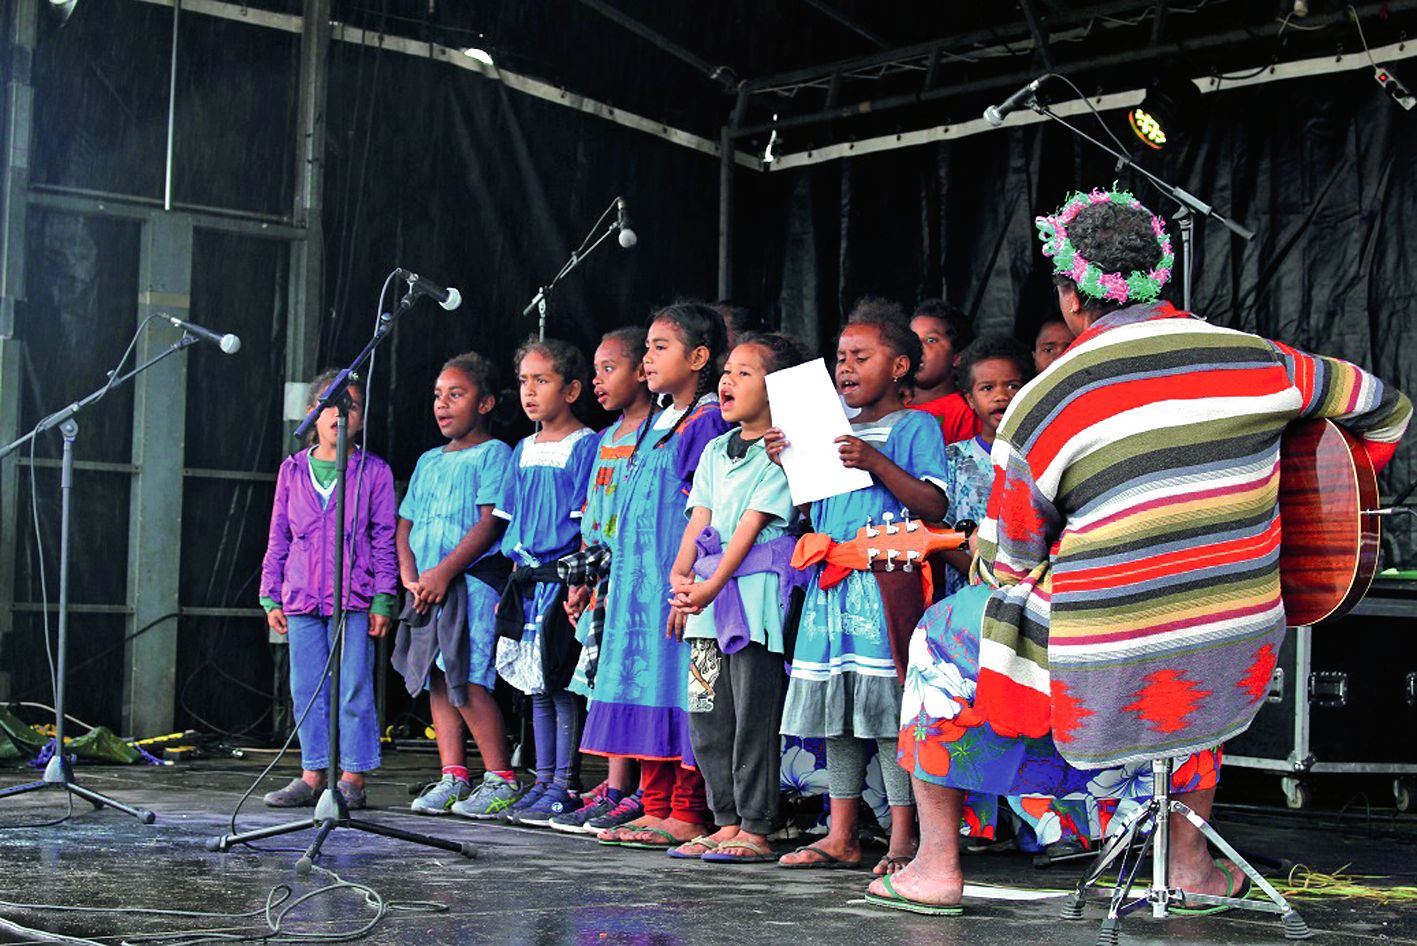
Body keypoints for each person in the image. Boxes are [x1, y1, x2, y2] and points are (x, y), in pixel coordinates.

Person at [872, 187, 1412, 915]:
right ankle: (1188, 867)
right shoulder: (1260, 360)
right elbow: (1383, 404)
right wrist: (1312, 506)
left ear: (1071, 296)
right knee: (1186, 638)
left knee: (940, 636)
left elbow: (1007, 562)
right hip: (1236, 634)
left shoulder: (1046, 399)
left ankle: (934, 865)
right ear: (1157, 276)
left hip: (1106, 643)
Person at [768, 300, 948, 874]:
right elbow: (814, 508)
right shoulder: (830, 431)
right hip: (832, 584)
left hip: (887, 583)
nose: (845, 367)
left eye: (861, 357)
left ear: (899, 366)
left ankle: (902, 842)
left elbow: (935, 504)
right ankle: (841, 832)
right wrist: (787, 464)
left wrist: (875, 461)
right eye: (841, 358)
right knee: (839, 711)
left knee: (890, 711)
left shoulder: (916, 426)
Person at [582, 302, 730, 850]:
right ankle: (657, 803)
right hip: (638, 586)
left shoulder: (708, 420)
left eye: (660, 347)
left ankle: (689, 809)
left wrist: (685, 579)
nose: (647, 358)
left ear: (698, 357)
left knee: (687, 684)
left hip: (682, 583)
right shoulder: (657, 419)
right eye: (645, 348)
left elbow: (706, 511)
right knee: (644, 680)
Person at [665, 332, 808, 863]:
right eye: (727, 371)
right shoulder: (712, 451)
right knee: (707, 713)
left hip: (751, 600)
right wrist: (680, 582)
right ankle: (724, 818)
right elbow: (698, 519)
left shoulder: (780, 452)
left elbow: (749, 527)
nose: (727, 380)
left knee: (752, 713)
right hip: (705, 602)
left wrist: (707, 586)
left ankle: (756, 823)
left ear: (776, 389)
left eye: (744, 373)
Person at [259, 369, 396, 810]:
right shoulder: (292, 470)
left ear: (360, 416)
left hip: (353, 599)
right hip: (301, 597)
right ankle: (313, 772)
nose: (341, 414)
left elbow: (383, 538)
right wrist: (270, 593)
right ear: (313, 413)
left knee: (352, 685)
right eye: (332, 405)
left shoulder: (373, 471)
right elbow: (279, 533)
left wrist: (383, 597)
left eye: (351, 405)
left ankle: (352, 776)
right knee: (307, 687)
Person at [392, 352, 519, 818]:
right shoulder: (428, 461)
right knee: (437, 678)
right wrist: (411, 577)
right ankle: (453, 775)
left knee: (467, 675)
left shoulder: (495, 455)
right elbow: (404, 524)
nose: (443, 405)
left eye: (456, 394)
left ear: (485, 403)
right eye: (438, 396)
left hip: (468, 584)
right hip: (426, 588)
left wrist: (443, 572)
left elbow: (489, 525)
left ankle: (500, 778)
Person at [550, 327, 655, 834]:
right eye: (595, 370)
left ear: (642, 371)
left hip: (635, 578)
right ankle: (614, 784)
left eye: (609, 368)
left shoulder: (653, 433)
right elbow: (591, 513)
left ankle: (630, 788)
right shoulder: (606, 438)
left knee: (628, 678)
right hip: (601, 574)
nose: (597, 380)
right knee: (601, 679)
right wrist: (581, 580)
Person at [493, 338, 599, 826]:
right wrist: (511, 584)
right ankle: (542, 779)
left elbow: (584, 523)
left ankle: (566, 783)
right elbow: (512, 523)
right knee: (534, 686)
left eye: (542, 380)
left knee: (560, 682)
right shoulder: (522, 448)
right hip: (528, 580)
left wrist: (578, 579)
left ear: (572, 389)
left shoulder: (586, 446)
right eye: (523, 381)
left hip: (563, 580)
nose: (530, 392)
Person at [908, 298, 979, 444]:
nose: (917, 346)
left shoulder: (964, 412)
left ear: (957, 357)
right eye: (912, 339)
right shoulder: (890, 404)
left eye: (931, 340)